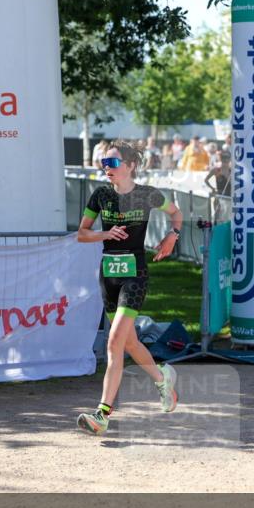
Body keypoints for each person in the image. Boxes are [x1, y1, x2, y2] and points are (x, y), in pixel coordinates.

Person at [76, 141, 181, 435]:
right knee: (131, 343)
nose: (106, 169)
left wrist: (172, 236)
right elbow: (81, 234)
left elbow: (177, 214)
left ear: (131, 165)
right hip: (108, 276)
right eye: (104, 163)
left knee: (114, 343)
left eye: (112, 163)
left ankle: (103, 414)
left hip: (135, 276)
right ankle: (163, 379)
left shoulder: (148, 195)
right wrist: (104, 233)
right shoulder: (100, 196)